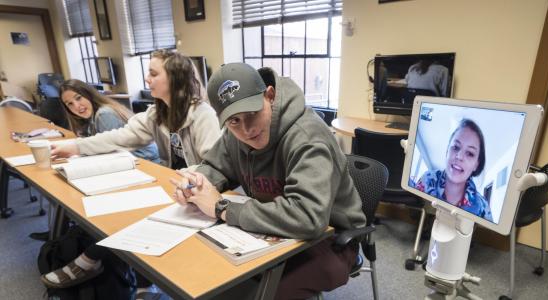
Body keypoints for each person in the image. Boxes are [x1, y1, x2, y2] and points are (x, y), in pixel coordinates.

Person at [171, 63, 366, 299]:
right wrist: (196, 185)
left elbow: (308, 217)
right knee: (211, 275)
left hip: (331, 240)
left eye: (252, 113)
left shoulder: (308, 138)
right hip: (274, 232)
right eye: (234, 121)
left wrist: (222, 208)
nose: (247, 130)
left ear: (270, 96)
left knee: (259, 292)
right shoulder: (236, 133)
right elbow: (215, 166)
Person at [43, 49, 221, 300]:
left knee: (132, 218)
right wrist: (75, 146)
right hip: (170, 186)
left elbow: (213, 166)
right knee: (118, 212)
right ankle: (135, 281)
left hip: (195, 192)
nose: (147, 79)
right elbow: (121, 137)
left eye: (153, 73)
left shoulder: (203, 115)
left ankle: (94, 262)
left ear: (174, 77)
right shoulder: (155, 112)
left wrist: (183, 177)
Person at [58, 79, 160, 163]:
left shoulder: (104, 114)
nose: (76, 106)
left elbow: (113, 152)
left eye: (79, 98)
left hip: (149, 162)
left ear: (88, 94)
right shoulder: (90, 117)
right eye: (70, 104)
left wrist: (78, 148)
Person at [414, 119, 492, 221]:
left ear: (476, 165)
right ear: (447, 150)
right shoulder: (428, 180)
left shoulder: (483, 207)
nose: (459, 156)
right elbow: (413, 214)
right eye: (455, 147)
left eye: (470, 153)